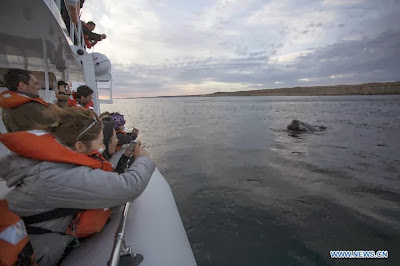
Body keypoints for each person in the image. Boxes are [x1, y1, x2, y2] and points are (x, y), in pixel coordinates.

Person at [0, 107, 155, 265]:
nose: (102, 146)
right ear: (79, 146)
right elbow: (129, 187)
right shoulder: (58, 175)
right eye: (100, 142)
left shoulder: (52, 163)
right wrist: (143, 159)